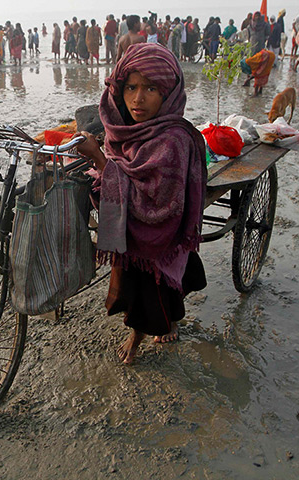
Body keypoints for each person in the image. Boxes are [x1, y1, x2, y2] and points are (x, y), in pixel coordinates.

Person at [76, 42, 207, 364]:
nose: (137, 98)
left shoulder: (172, 139)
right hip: (130, 222)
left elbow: (156, 204)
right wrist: (101, 160)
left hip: (158, 232)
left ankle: (137, 336)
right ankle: (168, 319)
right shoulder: (122, 129)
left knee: (150, 286)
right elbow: (123, 165)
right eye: (131, 87)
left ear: (168, 93)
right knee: (143, 282)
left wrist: (101, 162)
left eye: (151, 88)